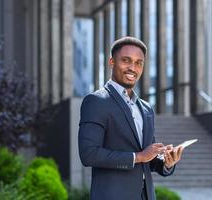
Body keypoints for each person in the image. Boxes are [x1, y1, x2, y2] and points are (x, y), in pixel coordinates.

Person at [78, 36, 183, 200]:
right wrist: (138, 156)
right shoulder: (96, 101)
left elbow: (148, 159)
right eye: (126, 60)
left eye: (138, 63)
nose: (132, 68)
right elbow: (89, 154)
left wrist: (167, 162)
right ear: (111, 62)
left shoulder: (147, 108)